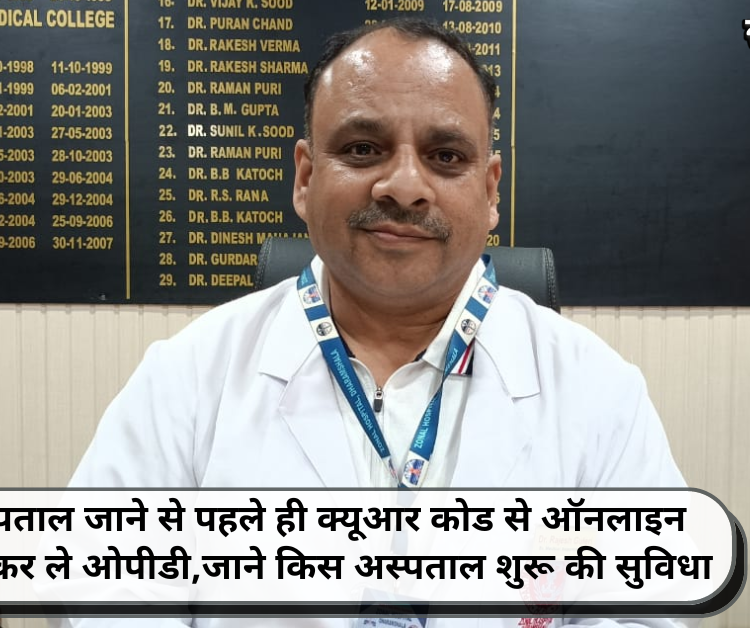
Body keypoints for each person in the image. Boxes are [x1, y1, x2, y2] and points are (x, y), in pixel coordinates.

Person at [67, 17, 691, 628]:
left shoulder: (597, 389)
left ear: (490, 191)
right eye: (363, 149)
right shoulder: (187, 377)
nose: (404, 186)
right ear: (306, 178)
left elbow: (651, 610)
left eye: (446, 156)